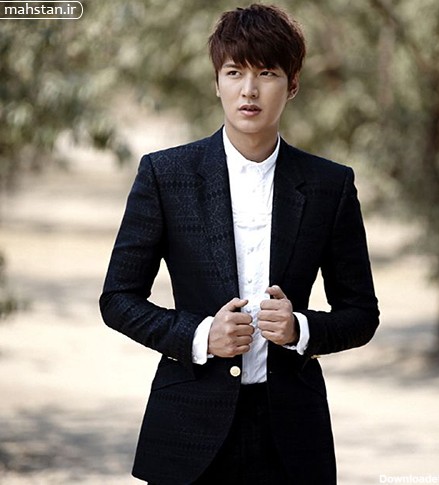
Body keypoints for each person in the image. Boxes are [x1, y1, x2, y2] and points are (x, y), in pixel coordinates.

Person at [100, 4, 379, 484]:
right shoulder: (166, 175)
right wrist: (199, 335)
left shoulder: (329, 185)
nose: (249, 89)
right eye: (234, 72)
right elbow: (118, 299)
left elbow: (361, 314)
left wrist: (300, 330)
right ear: (217, 82)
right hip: (187, 429)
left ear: (292, 84)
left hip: (292, 436)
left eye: (267, 73)